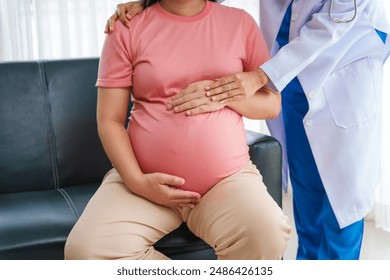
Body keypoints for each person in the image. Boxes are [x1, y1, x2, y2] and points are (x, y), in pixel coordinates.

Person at [107, 0, 390, 259]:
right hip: (288, 59)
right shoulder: (130, 32)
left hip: (347, 52)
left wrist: (261, 75)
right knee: (306, 183)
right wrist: (153, 3)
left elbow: (338, 17)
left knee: (344, 191)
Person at [64, 0, 291, 260]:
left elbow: (271, 104)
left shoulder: (240, 23)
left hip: (226, 181)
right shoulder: (126, 27)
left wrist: (220, 94)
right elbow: (109, 120)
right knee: (85, 251)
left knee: (268, 233)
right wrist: (137, 181)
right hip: (145, 182)